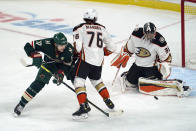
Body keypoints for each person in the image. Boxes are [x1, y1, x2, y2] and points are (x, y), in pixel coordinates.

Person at [111, 22, 191, 97]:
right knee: (129, 83)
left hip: (151, 68)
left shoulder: (159, 41)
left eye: (152, 34)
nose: (151, 36)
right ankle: (129, 74)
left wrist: (164, 67)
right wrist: (125, 54)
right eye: (148, 34)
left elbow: (167, 58)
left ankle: (176, 85)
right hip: (137, 66)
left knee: (148, 85)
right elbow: (129, 49)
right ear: (144, 33)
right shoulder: (136, 34)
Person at [14, 32, 75, 116]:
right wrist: (35, 55)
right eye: (61, 45)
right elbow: (28, 45)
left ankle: (83, 103)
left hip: (62, 65)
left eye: (64, 44)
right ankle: (21, 104)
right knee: (38, 83)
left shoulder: (69, 50)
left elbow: (67, 65)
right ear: (55, 44)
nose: (63, 47)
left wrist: (61, 73)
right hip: (49, 64)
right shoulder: (47, 43)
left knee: (76, 78)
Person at [72, 9, 116, 119]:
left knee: (79, 82)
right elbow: (112, 48)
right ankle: (107, 100)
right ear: (95, 18)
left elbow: (77, 48)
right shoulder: (102, 28)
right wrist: (103, 52)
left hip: (85, 61)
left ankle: (83, 107)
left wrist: (75, 54)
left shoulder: (79, 28)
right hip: (98, 62)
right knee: (97, 81)